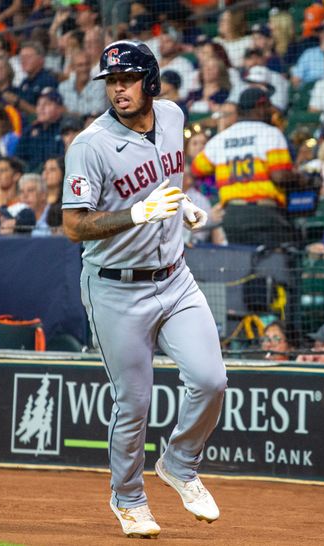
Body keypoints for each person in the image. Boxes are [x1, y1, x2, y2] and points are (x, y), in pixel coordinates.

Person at [61, 40, 225, 539]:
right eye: (111, 81)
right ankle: (128, 497)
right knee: (133, 403)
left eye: (127, 79)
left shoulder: (172, 116)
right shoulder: (90, 144)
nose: (118, 89)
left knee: (211, 379)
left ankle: (178, 463)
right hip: (116, 288)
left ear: (150, 82)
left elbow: (170, 178)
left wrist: (185, 204)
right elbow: (73, 225)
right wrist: (135, 214)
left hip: (175, 277)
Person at [191, 87, 298, 249]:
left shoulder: (220, 139)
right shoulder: (270, 133)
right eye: (268, 106)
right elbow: (280, 177)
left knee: (244, 267)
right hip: (265, 215)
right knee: (278, 263)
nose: (270, 110)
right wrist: (303, 179)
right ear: (259, 107)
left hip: (233, 217)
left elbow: (197, 169)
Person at [15, 87, 65, 172]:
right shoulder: (30, 130)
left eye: (47, 104)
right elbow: (18, 158)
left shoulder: (65, 130)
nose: (41, 108)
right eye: (38, 104)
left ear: (59, 108)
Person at [58, 50, 108, 117]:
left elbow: (98, 111)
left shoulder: (99, 85)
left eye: (87, 64)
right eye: (80, 65)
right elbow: (59, 110)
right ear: (73, 68)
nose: (84, 69)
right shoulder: (63, 87)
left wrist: (70, 113)